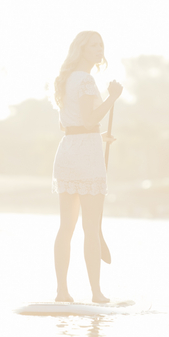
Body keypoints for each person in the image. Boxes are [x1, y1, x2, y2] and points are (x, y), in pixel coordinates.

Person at [51, 31, 123, 303]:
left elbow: (69, 124)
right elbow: (89, 117)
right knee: (91, 227)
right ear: (80, 49)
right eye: (93, 45)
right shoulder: (86, 80)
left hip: (69, 150)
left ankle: (62, 292)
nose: (99, 49)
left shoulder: (66, 80)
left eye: (101, 45)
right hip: (85, 157)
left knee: (65, 227)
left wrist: (99, 137)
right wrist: (112, 97)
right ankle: (96, 294)